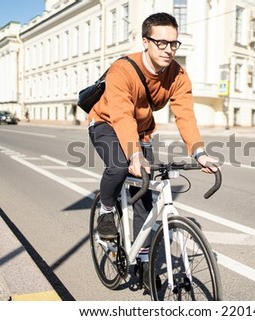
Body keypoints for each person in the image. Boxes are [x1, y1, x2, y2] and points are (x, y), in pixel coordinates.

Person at [88, 12, 218, 288]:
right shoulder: (122, 69)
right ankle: (107, 208)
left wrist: (199, 152)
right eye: (161, 43)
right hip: (105, 122)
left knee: (146, 198)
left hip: (143, 130)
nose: (169, 50)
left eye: (173, 43)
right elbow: (122, 115)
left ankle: (145, 264)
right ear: (146, 41)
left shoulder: (178, 74)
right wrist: (134, 154)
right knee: (121, 166)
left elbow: (185, 115)